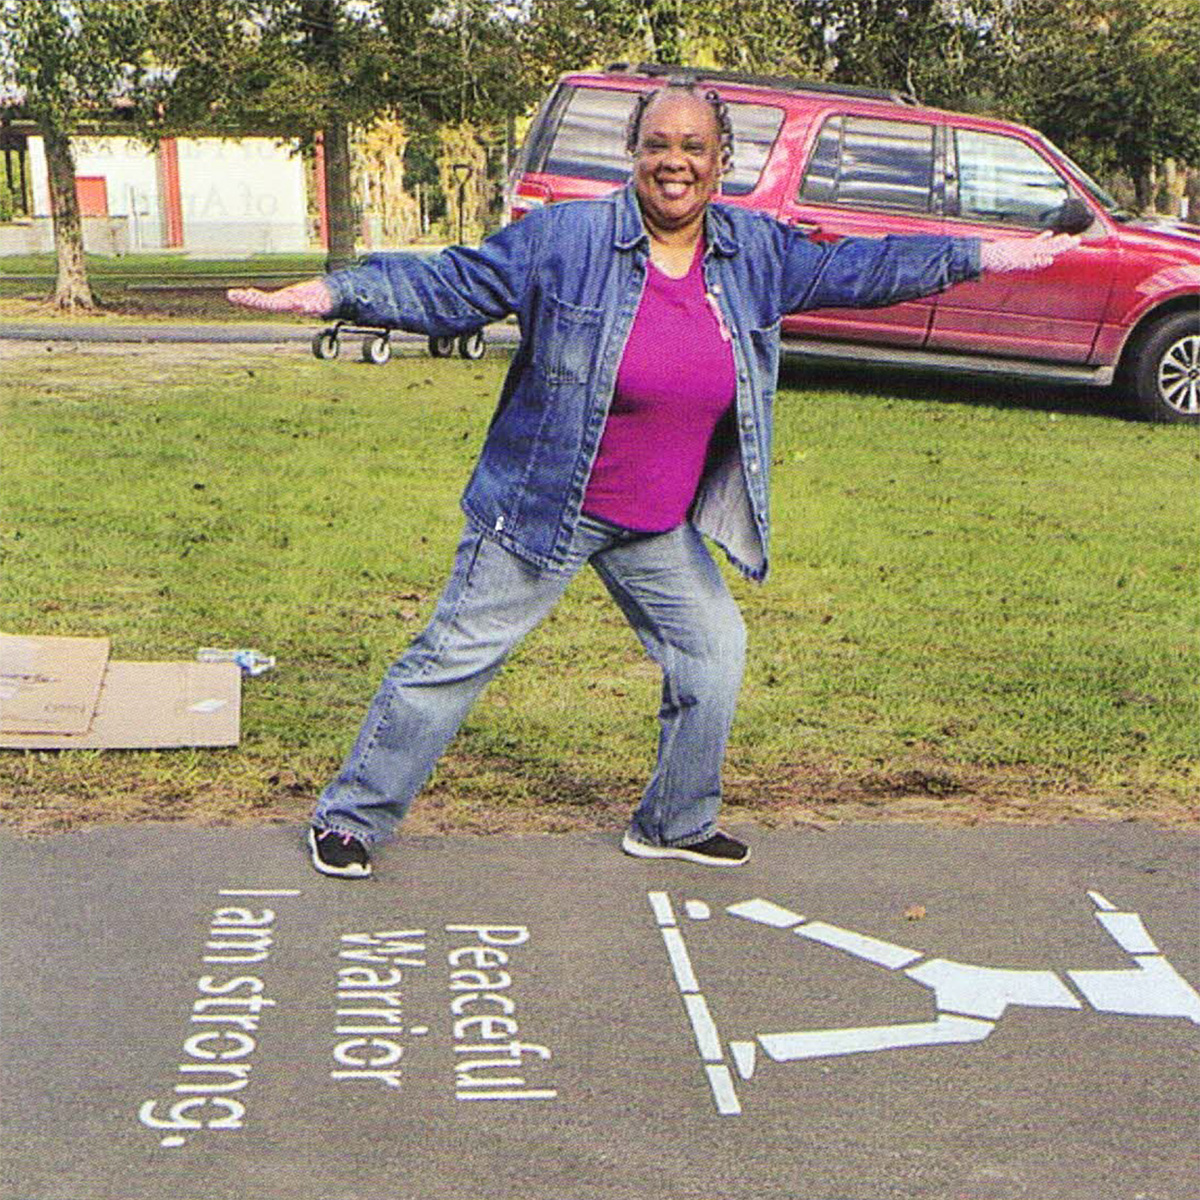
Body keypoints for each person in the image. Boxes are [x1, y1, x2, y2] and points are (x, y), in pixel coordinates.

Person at [229, 83, 1078, 879]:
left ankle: (673, 821)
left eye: (695, 147)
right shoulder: (568, 239)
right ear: (632, 154)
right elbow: (455, 282)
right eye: (658, 145)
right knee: (451, 660)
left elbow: (867, 267)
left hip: (654, 520)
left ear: (722, 162)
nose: (676, 162)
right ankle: (351, 818)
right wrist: (338, 290)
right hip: (543, 504)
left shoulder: (755, 252)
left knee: (714, 652)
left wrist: (987, 253)